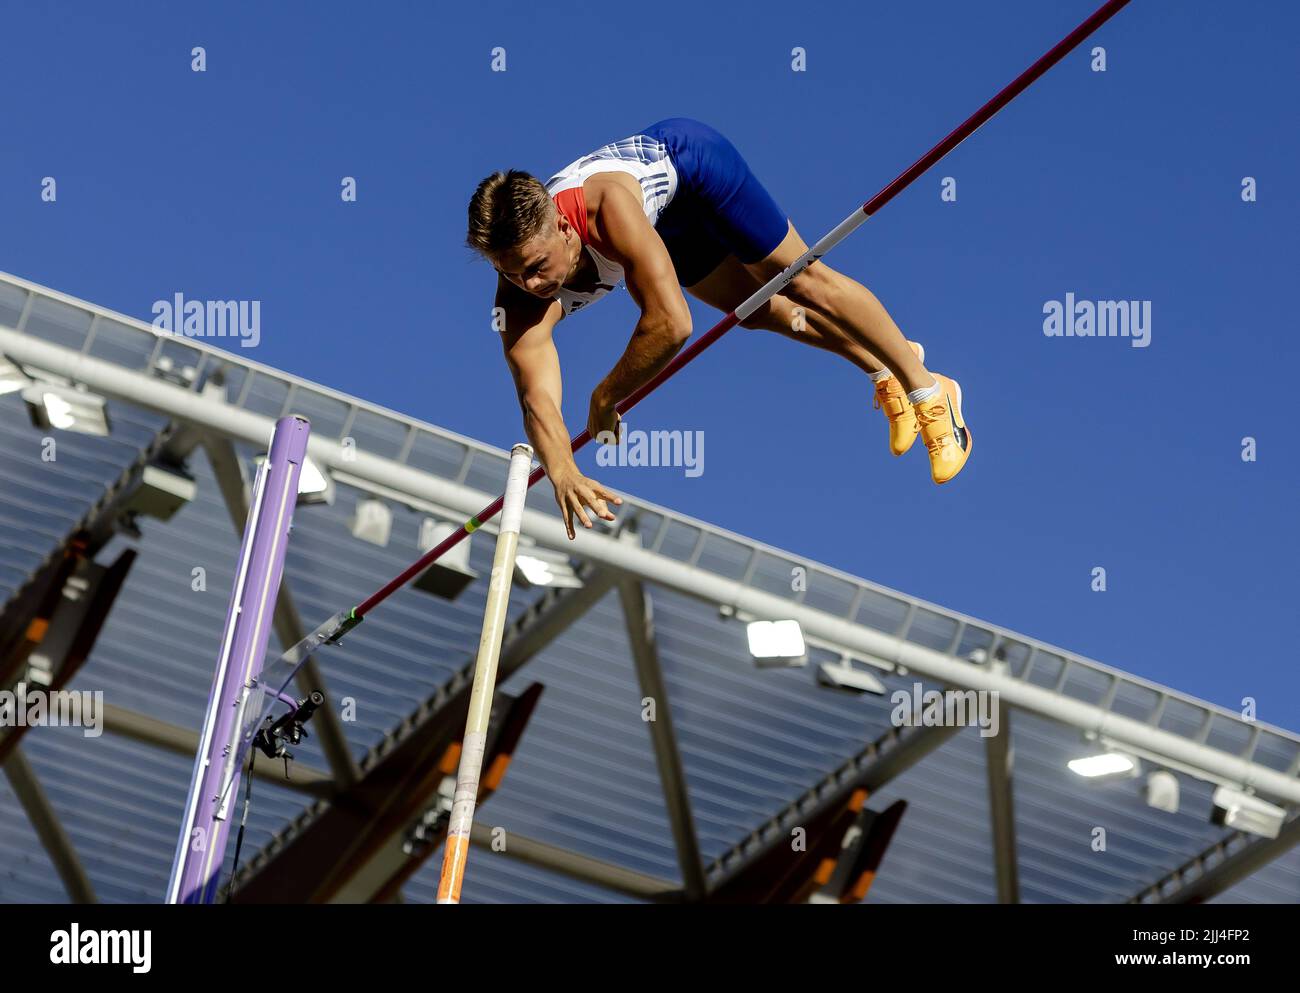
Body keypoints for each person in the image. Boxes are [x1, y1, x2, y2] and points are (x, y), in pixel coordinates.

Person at [466, 117, 972, 540]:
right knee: (757, 311)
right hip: (667, 220)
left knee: (800, 282)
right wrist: (563, 471)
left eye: (534, 266)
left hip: (695, 166)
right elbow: (537, 399)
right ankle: (881, 366)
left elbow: (670, 324)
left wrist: (605, 396)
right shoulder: (516, 295)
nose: (526, 283)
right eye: (507, 271)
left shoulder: (606, 210)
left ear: (562, 225)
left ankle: (928, 387)